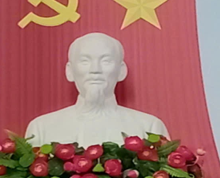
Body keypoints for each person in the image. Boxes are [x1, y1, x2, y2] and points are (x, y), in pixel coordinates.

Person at [25, 33, 169, 145]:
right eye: (85, 61)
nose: (95, 69)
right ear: (69, 71)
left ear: (121, 71)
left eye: (106, 61)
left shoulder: (149, 127)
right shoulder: (42, 128)